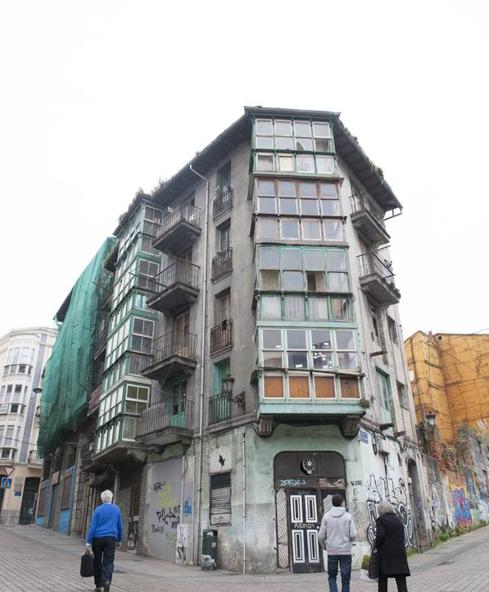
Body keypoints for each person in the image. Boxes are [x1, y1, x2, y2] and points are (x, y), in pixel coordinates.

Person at [86, 490, 123, 592]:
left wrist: (88, 541)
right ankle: (106, 581)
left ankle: (98, 586)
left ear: (102, 499)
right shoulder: (116, 509)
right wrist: (119, 539)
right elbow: (120, 526)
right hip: (111, 538)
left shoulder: (98, 509)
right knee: (108, 561)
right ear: (111, 498)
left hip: (97, 538)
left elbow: (92, 526)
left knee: (97, 561)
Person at [319, 493, 357, 592]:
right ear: (342, 502)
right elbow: (353, 534)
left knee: (332, 576)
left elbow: (321, 536)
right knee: (345, 578)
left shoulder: (326, 516)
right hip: (345, 551)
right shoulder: (348, 516)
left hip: (332, 551)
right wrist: (350, 542)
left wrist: (324, 546)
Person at [375, 501, 410, 592]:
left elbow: (380, 536)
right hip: (399, 554)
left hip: (386, 556)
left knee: (382, 580)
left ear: (380, 511)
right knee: (401, 581)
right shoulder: (398, 520)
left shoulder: (381, 520)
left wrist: (376, 546)